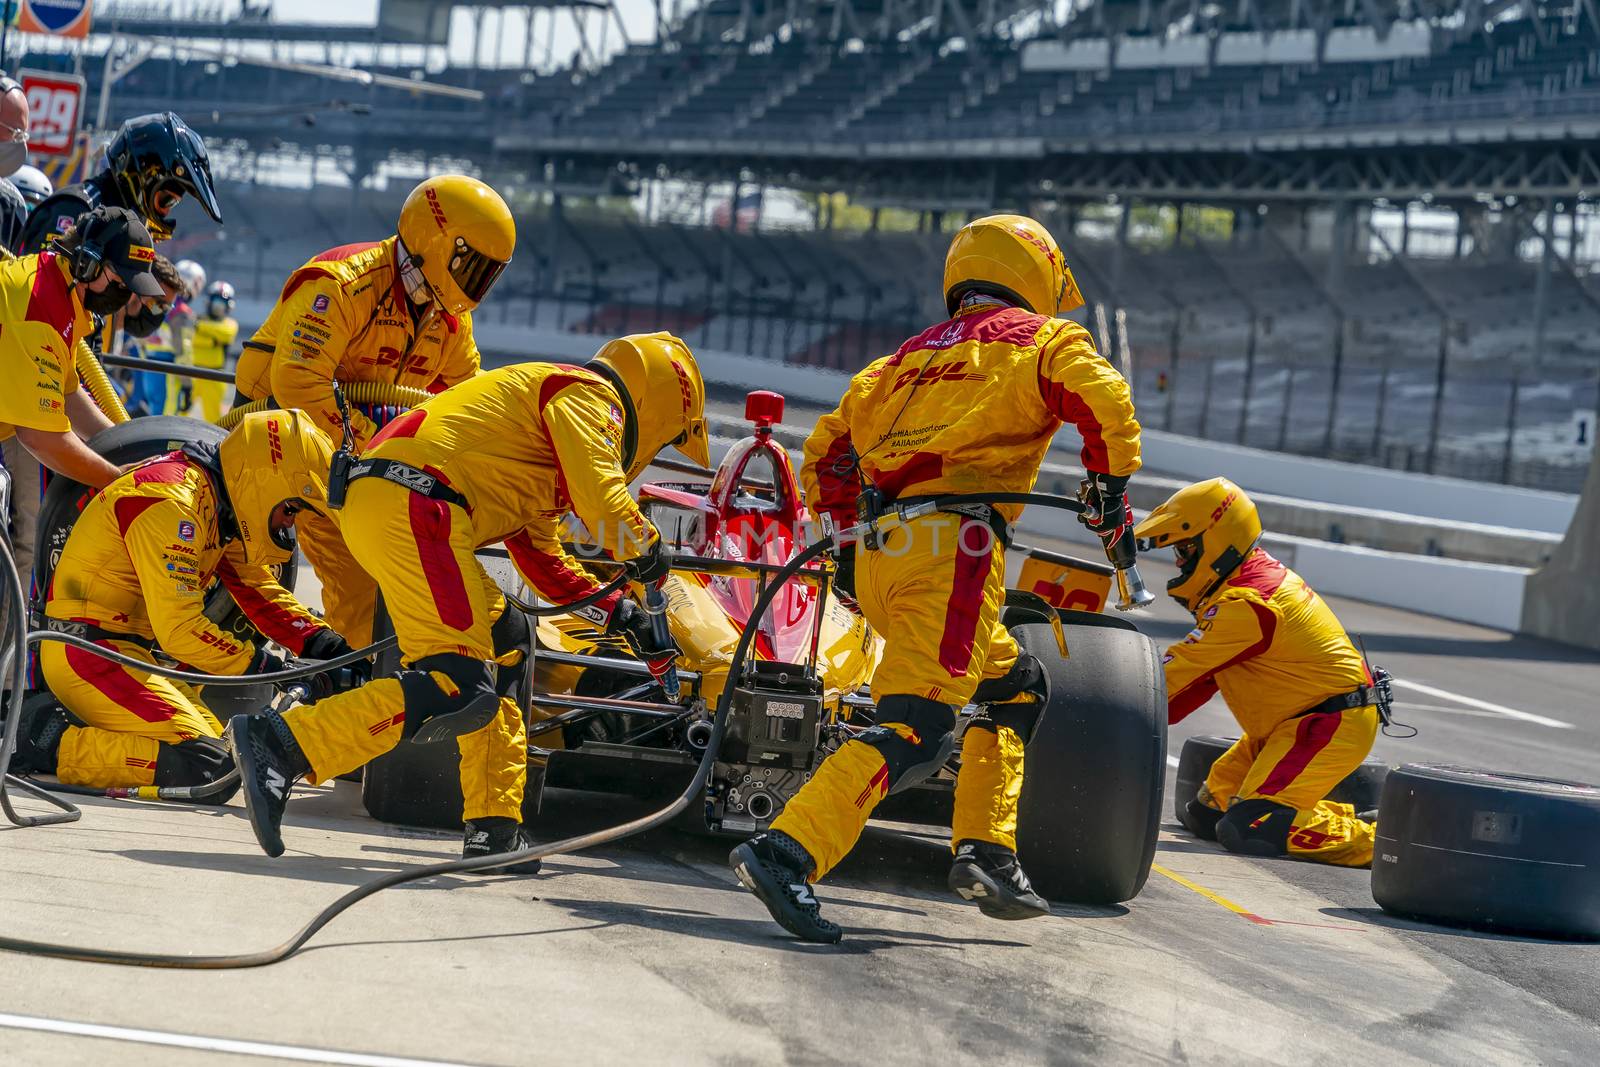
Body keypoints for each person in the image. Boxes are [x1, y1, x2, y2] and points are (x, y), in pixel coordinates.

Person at [729, 214, 1143, 943]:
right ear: (1035, 276)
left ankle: (986, 851)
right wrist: (1110, 493)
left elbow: (825, 455)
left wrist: (851, 552)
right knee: (914, 729)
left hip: (887, 555)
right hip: (958, 553)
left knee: (1017, 684)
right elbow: (1106, 403)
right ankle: (784, 850)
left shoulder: (898, 362)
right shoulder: (1047, 340)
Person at [227, 337, 709, 870]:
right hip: (420, 504)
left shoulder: (540, 433)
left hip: (404, 503)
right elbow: (606, 504)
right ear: (659, 407)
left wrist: (623, 615)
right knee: (455, 682)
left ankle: (494, 827)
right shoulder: (589, 398)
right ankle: (284, 743)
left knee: (509, 641)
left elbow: (542, 560)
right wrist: (650, 555)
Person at [231, 174, 510, 649]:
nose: (477, 284)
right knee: (362, 593)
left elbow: (467, 398)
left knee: (395, 576)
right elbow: (298, 383)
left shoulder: (451, 319)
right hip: (278, 438)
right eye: (472, 267)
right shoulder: (342, 283)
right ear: (438, 242)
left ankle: (379, 678)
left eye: (489, 273)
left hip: (359, 456)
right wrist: (374, 450)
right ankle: (355, 682)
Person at [12, 411, 355, 793]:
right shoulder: (172, 501)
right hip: (88, 654)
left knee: (226, 759)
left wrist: (324, 644)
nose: (289, 524)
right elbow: (180, 630)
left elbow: (258, 590)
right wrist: (274, 670)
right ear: (262, 481)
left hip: (123, 656)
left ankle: (81, 731)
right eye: (290, 509)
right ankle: (45, 740)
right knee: (211, 770)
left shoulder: (213, 498)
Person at [1134, 478, 1379, 867]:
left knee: (1254, 826)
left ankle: (1386, 840)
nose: (1179, 561)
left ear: (1215, 542)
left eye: (1184, 549)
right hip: (1284, 726)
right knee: (1206, 816)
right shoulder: (1241, 584)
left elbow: (1170, 678)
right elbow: (1189, 690)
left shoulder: (1247, 604)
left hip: (1327, 722)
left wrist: (1101, 708)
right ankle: (1336, 815)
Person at [18, 111, 222, 251]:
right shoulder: (76, 209)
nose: (167, 212)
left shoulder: (125, 226)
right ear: (144, 177)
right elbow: (39, 291)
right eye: (167, 201)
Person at [190, 280, 237, 422]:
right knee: (180, 410)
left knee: (214, 419)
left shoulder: (230, 324)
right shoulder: (197, 319)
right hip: (191, 373)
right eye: (215, 300)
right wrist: (212, 341)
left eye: (221, 302)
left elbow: (227, 333)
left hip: (215, 376)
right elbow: (192, 340)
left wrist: (200, 327)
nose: (218, 306)